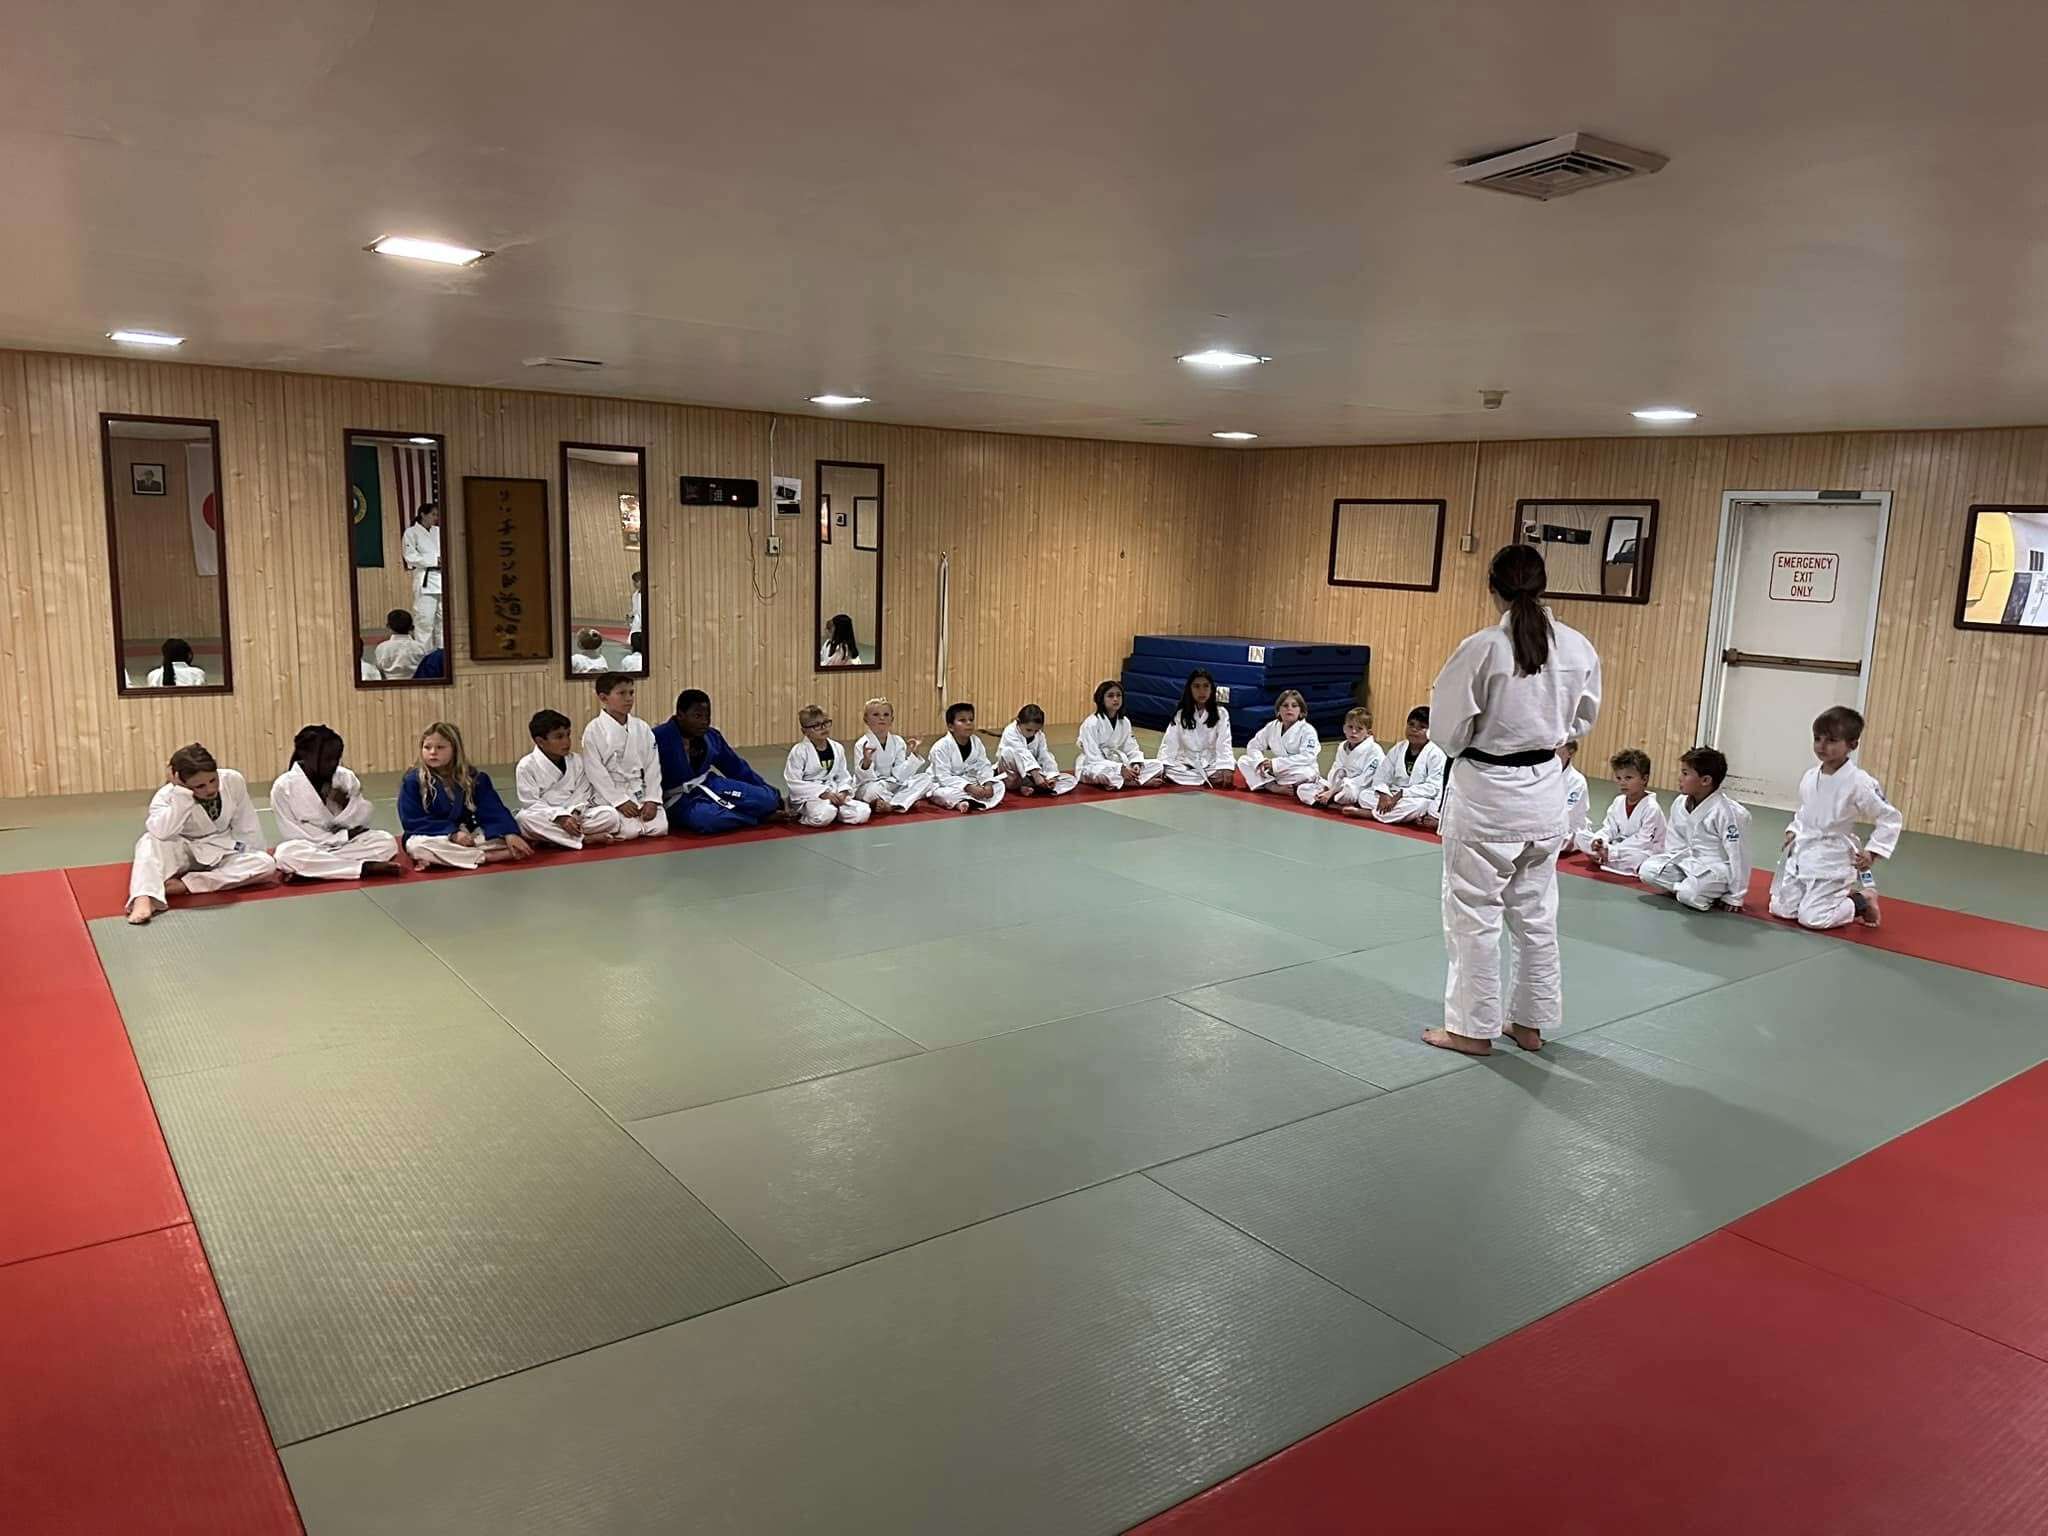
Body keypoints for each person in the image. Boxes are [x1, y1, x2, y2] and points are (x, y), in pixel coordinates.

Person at [1423, 544, 1601, 1057]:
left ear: (1492, 587)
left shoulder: (1482, 648)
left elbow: (1447, 730)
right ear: (1543, 585)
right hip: (1546, 793)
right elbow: (1583, 720)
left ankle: (1471, 1029)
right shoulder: (1577, 646)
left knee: (1474, 918)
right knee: (1536, 917)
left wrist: (1479, 746)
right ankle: (1530, 1024)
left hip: (1486, 799)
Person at [1770, 705, 1903, 929]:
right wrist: (1795, 829)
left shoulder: (1859, 782)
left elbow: (1889, 817)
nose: (1822, 746)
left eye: (1831, 740)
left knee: (1813, 919)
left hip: (1834, 856)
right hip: (1804, 850)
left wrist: (1872, 852)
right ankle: (1824, 899)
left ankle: (1861, 901)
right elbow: (1806, 811)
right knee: (1782, 909)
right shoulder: (1810, 776)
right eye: (1817, 738)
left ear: (1852, 744)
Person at [125, 744, 277, 924]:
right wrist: (182, 795)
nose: (210, 789)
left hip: (220, 850)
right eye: (200, 786)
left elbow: (246, 822)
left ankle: (186, 885)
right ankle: (144, 898)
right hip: (183, 851)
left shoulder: (232, 780)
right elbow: (162, 832)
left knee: (266, 863)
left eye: (213, 780)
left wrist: (253, 854)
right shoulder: (166, 796)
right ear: (181, 782)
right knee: (148, 841)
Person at [270, 725, 402, 882]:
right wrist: (343, 835)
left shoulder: (345, 778)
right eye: (327, 759)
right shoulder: (284, 787)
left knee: (386, 841)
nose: (333, 764)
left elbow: (363, 821)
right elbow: (293, 835)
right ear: (306, 755)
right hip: (311, 847)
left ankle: (315, 872)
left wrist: (345, 804)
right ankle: (362, 868)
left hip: (344, 847)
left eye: (336, 758)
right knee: (286, 854)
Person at [398, 721, 534, 869]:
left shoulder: (473, 778)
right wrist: (452, 833)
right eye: (427, 747)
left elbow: (492, 809)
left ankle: (455, 858)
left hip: (470, 834)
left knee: (506, 837)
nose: (432, 752)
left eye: (440, 747)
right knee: (417, 847)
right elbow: (412, 820)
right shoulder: (413, 781)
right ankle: (486, 857)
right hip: (435, 835)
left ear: (455, 750)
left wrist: (508, 833)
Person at [654, 689, 785, 835]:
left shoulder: (711, 737)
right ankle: (759, 818)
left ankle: (754, 811)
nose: (704, 722)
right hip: (678, 799)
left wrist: (764, 787)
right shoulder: (658, 738)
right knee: (706, 819)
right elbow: (644, 775)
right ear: (680, 715)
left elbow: (736, 767)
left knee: (767, 799)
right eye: (697, 716)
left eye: (707, 716)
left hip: (710, 785)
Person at [1639, 747, 1752, 912]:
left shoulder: (1730, 814)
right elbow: (1674, 842)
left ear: (1705, 780)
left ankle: (1696, 890)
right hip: (1688, 863)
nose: (1680, 778)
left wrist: (1735, 897)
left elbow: (1739, 856)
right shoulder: (1680, 803)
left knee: (1688, 895)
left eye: (1685, 773)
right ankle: (1691, 887)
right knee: (1647, 871)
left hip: (1716, 869)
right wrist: (1671, 863)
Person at [515, 709, 623, 850]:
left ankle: (554, 839)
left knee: (611, 815)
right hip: (548, 816)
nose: (566, 742)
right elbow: (530, 803)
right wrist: (560, 816)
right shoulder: (526, 766)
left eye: (568, 735)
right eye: (559, 737)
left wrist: (573, 813)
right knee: (523, 820)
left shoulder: (577, 761)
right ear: (540, 741)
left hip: (575, 816)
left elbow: (583, 794)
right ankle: (584, 839)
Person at [581, 674, 669, 838]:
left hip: (638, 789)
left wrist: (652, 799)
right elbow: (595, 771)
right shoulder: (594, 730)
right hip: (611, 791)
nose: (629, 699)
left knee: (660, 828)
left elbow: (652, 766)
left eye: (631, 693)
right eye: (622, 694)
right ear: (603, 697)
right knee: (630, 831)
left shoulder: (641, 727)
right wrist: (619, 801)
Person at [1574, 748, 1666, 874]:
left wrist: (1613, 851)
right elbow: (1609, 828)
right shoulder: (1618, 801)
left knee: (1639, 859)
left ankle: (1604, 858)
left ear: (1644, 779)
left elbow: (1643, 841)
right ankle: (1603, 856)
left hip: (1643, 850)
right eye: (1618, 778)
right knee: (1580, 835)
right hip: (1616, 846)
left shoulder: (1651, 808)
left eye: (1628, 778)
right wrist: (1600, 840)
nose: (1622, 783)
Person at [785, 706, 873, 826]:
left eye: (826, 723)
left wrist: (843, 792)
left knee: (863, 812)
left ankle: (835, 812)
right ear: (804, 731)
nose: (823, 728)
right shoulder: (799, 751)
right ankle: (804, 816)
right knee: (825, 814)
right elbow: (793, 782)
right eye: (816, 725)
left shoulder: (837, 748)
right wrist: (822, 793)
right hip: (810, 797)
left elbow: (843, 775)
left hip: (834, 793)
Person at [1075, 681, 1165, 790]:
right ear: (1101, 699)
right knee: (1103, 774)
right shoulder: (1091, 723)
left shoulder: (1124, 721)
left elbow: (1131, 747)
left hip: (1117, 762)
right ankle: (1137, 782)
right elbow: (1094, 757)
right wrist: (1119, 769)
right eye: (1110, 696)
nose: (1115, 699)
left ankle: (1128, 779)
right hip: (1092, 765)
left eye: (1118, 695)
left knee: (1158, 765)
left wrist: (1135, 763)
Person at [852, 697, 933, 815]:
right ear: (866, 719)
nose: (882, 718)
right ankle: (902, 801)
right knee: (873, 791)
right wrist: (866, 763)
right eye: (876, 714)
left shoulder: (898, 741)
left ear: (892, 719)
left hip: (893, 784)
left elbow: (900, 775)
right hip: (871, 786)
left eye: (886, 714)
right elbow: (864, 779)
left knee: (926, 779)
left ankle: (890, 805)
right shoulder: (862, 744)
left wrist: (913, 754)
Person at [1369, 708, 1447, 827]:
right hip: (1392, 794)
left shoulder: (1436, 753)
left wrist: (1403, 793)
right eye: (1411, 724)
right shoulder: (1398, 748)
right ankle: (1394, 815)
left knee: (1420, 805)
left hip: (1416, 797)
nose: (1414, 730)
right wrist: (1384, 794)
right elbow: (1381, 775)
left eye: (1422, 727)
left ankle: (1369, 814)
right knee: (1363, 795)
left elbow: (1434, 787)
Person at [1157, 669, 1236, 787]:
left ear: (1211, 689)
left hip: (1210, 763)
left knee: (1226, 769)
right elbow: (1170, 742)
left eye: (1206, 686)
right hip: (1185, 763)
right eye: (1197, 686)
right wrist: (1163, 764)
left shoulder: (1221, 713)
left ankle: (1204, 776)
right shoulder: (1181, 714)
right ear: (1190, 689)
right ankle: (1201, 778)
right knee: (1166, 769)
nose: (1202, 691)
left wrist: (1226, 766)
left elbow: (1224, 743)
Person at [1300, 706, 1386, 813]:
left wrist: (1333, 791)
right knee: (1303, 789)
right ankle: (1333, 803)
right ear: (1344, 728)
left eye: (1359, 729)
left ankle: (1330, 801)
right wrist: (1328, 788)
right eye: (1350, 727)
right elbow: (1336, 769)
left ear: (1368, 732)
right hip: (1338, 785)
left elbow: (1365, 780)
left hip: (1359, 788)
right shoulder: (1342, 746)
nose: (1353, 731)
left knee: (1349, 793)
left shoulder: (1374, 750)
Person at [1238, 690, 1321, 794]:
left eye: (1294, 706)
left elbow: (1308, 757)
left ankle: (1262, 781)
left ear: (1301, 711)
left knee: (1306, 775)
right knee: (1244, 760)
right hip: (1276, 771)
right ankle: (1272, 786)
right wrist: (1260, 762)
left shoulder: (1307, 730)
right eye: (1285, 705)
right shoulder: (1272, 727)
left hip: (1296, 770)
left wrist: (1275, 764)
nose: (1289, 708)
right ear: (1278, 710)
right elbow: (1253, 745)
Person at [928, 702, 1006, 811]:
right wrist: (968, 787)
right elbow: (943, 777)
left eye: (971, 719)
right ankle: (963, 802)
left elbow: (984, 765)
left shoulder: (976, 742)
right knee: (941, 793)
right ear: (951, 726)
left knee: (999, 786)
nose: (968, 723)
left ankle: (966, 801)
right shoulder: (941, 747)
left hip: (969, 780)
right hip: (943, 784)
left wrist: (987, 784)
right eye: (962, 720)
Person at [997, 705, 1079, 796]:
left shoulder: (1040, 736)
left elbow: (1044, 756)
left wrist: (1051, 776)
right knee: (1008, 753)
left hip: (1033, 778)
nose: (1032, 733)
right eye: (1028, 730)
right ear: (1018, 722)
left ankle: (1035, 789)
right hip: (1011, 776)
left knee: (1071, 780)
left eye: (1036, 731)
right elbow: (1022, 753)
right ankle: (1030, 786)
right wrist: (1036, 776)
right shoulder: (1010, 732)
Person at [402, 502, 444, 648]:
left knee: (443, 623)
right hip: (425, 580)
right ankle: (423, 658)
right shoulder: (411, 533)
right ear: (423, 515)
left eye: (437, 515)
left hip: (442, 580)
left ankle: (442, 656)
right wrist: (434, 561)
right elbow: (410, 556)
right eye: (433, 514)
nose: (436, 517)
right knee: (425, 622)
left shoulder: (438, 531)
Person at [375, 610, 427, 680]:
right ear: (412, 627)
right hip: (416, 686)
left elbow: (380, 670)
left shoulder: (381, 648)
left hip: (389, 687)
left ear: (388, 626)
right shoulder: (420, 647)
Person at [1559, 740, 1590, 844]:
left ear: (1570, 753)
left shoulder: (1577, 781)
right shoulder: (1543, 775)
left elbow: (1567, 814)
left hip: (1570, 831)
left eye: (1557, 747)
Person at [629, 569, 644, 643]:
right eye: (634, 581)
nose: (634, 583)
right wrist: (631, 615)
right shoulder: (635, 595)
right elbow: (635, 610)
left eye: (636, 581)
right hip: (637, 622)